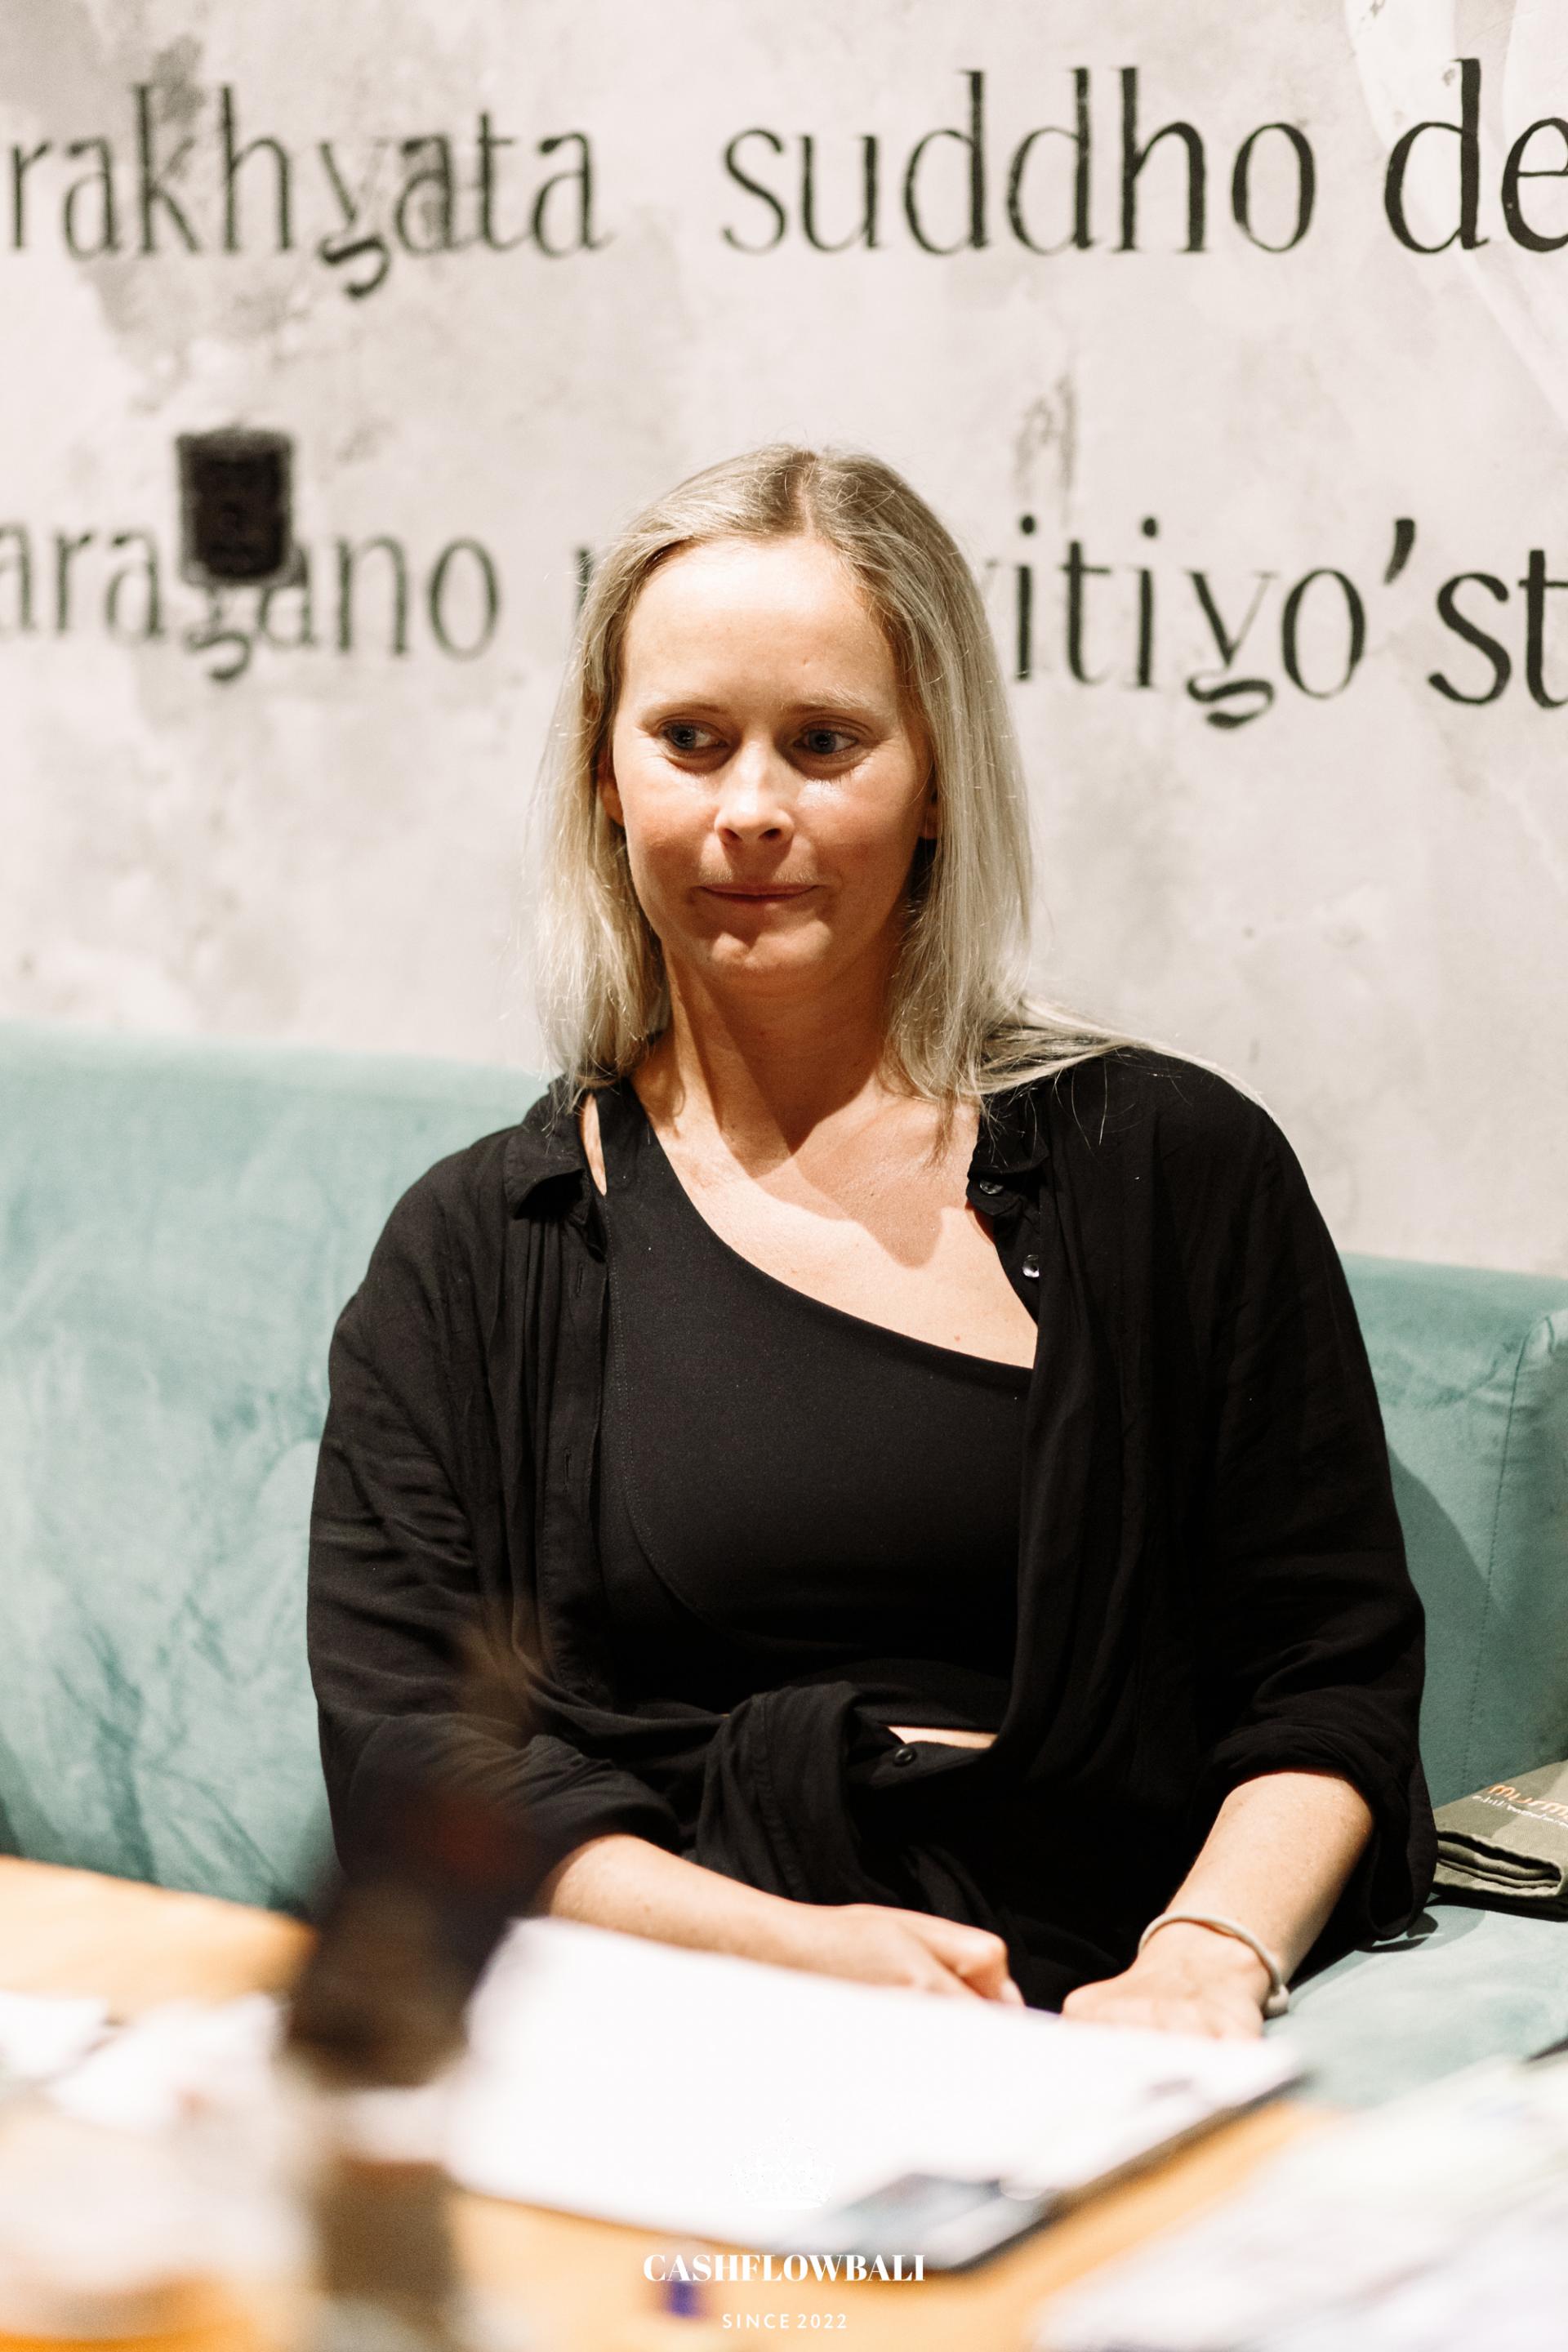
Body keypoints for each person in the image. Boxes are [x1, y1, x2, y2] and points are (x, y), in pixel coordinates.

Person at [307, 443, 1435, 2036]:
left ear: (939, 779)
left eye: (825, 744)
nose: (750, 810)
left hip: (1078, 2016)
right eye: (691, 741)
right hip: (661, 2007)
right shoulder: (478, 1248)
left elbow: (1326, 1677)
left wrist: (1204, 1959)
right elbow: (414, 1747)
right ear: (606, 777)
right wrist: (781, 1950)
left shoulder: (1171, 1169)